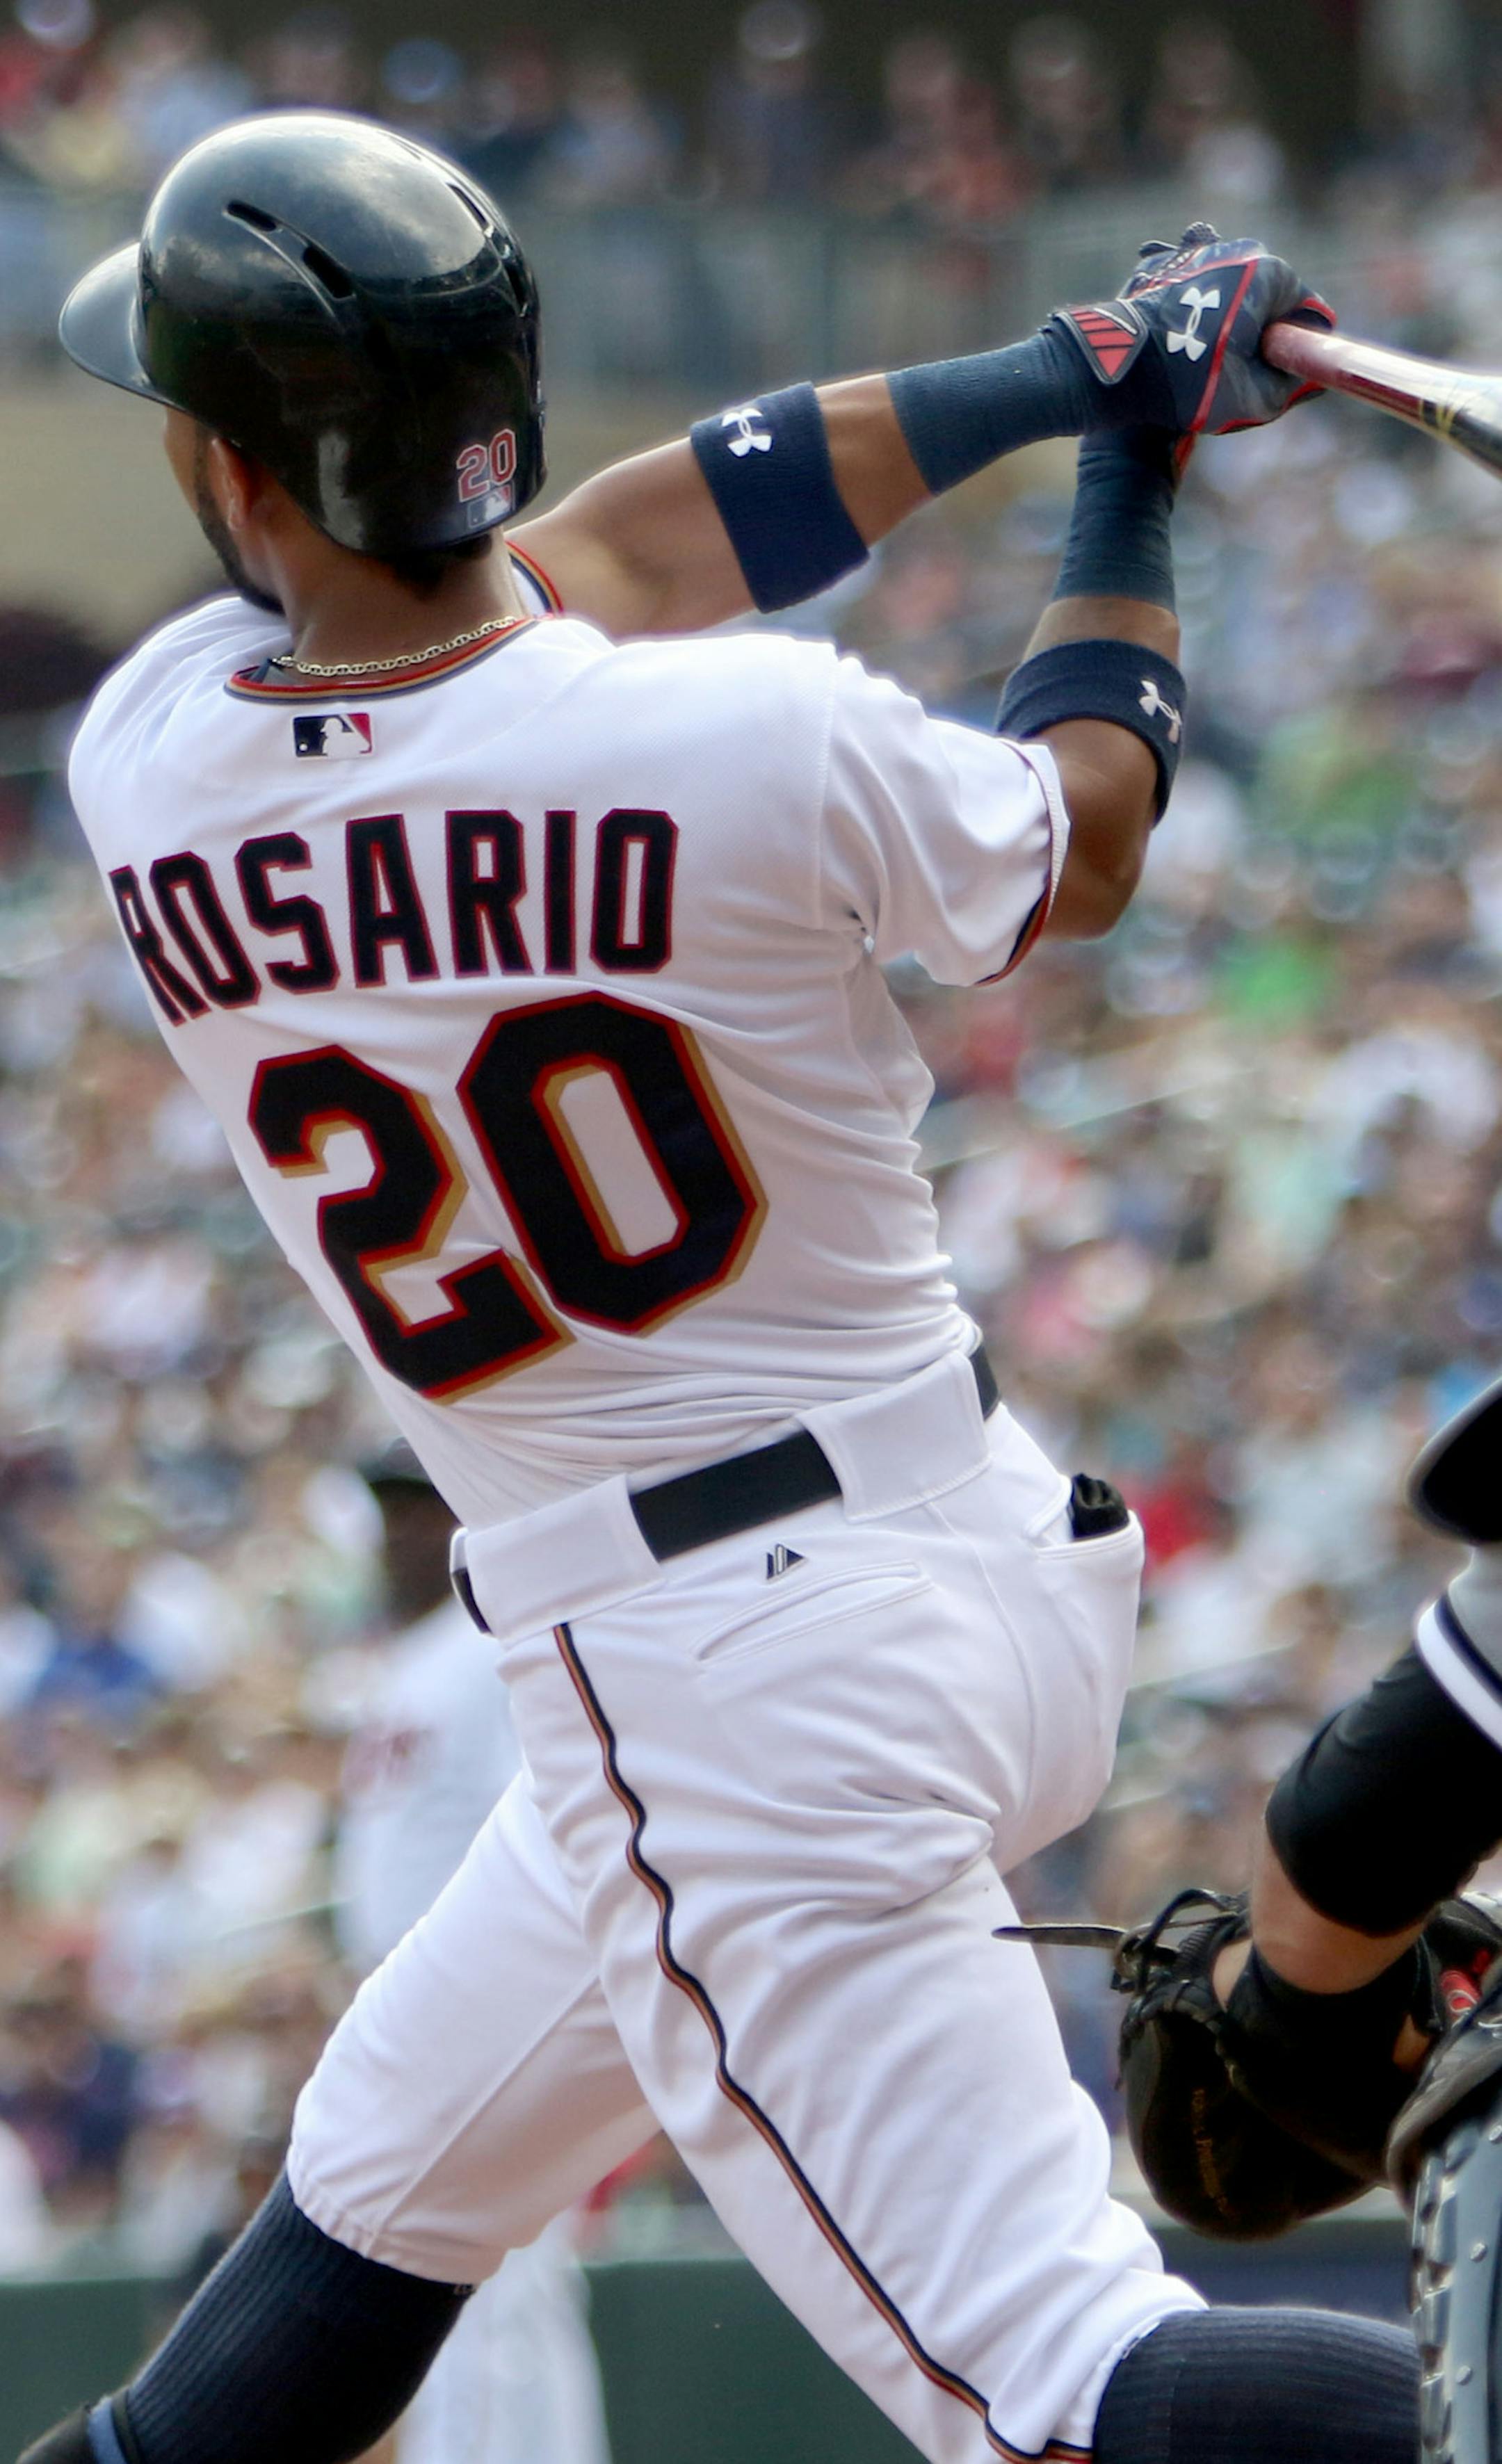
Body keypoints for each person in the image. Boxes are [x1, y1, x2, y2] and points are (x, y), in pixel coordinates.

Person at [22, 107, 1414, 2464]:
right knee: (351, 2241)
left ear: (242, 482)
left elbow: (590, 567)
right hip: (958, 1558)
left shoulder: (148, 761)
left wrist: (1079, 376)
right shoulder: (755, 739)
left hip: (717, 1682)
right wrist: (1123, 449)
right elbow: (1077, 832)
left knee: (1070, 2387)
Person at [334, 1445, 610, 2464]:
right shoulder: (410, 1658)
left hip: (481, 1996)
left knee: (472, 2284)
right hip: (415, 2004)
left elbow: (540, 1825)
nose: (398, 1533)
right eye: (389, 1513)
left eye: (420, 1511)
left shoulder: (497, 1644)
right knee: (486, 2283)